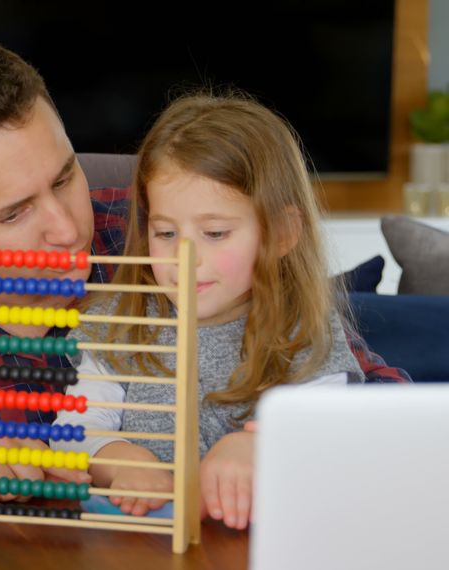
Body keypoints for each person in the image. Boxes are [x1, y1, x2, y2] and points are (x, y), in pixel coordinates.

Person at [0, 37, 409, 500]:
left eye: (63, 177)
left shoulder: (165, 239)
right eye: (15, 212)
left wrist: (279, 440)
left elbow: (380, 398)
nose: (67, 229)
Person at [53, 92, 366, 531]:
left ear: (281, 234)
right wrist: (119, 460)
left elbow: (335, 433)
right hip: (145, 546)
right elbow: (75, 429)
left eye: (215, 232)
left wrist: (259, 446)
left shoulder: (304, 330)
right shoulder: (116, 324)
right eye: (165, 232)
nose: (185, 256)